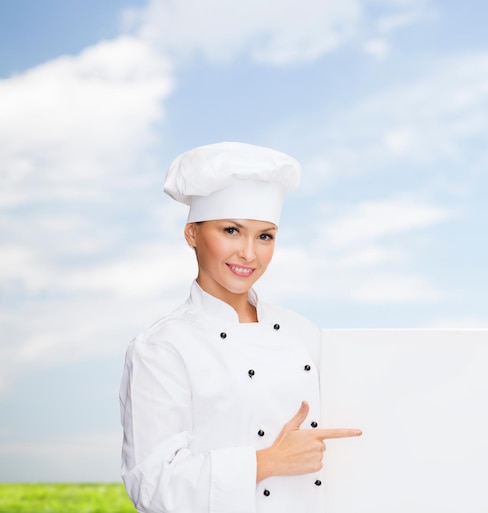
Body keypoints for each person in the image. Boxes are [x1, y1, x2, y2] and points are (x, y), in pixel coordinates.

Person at [119, 142, 362, 513]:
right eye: (232, 230)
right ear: (192, 234)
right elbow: (153, 487)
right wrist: (268, 462)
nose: (249, 253)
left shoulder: (303, 333)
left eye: (265, 236)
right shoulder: (162, 347)